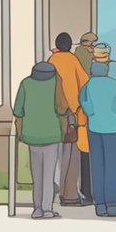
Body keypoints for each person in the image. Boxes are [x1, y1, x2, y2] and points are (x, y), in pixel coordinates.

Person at [13, 61, 66, 219]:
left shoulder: (25, 83)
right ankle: (47, 209)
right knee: (48, 176)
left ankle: (37, 209)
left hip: (31, 136)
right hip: (52, 135)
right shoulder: (56, 83)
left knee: (37, 176)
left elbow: (17, 110)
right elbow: (62, 108)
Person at [48, 32, 91, 207]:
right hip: (72, 114)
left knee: (54, 156)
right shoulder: (73, 60)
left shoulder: (51, 61)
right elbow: (85, 82)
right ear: (70, 46)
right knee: (72, 156)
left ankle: (52, 192)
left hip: (54, 113)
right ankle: (69, 194)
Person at [79, 54, 116, 218]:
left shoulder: (87, 85)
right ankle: (113, 204)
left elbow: (85, 105)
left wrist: (92, 113)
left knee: (97, 166)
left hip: (95, 127)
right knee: (113, 166)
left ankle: (100, 205)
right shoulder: (114, 84)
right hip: (114, 128)